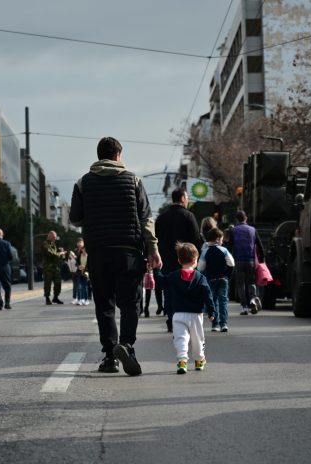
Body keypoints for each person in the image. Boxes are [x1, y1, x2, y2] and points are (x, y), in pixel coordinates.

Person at [70, 136, 162, 376]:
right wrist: (153, 250)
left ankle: (110, 356)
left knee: (104, 305)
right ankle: (127, 345)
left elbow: (75, 219)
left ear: (99, 155)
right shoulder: (134, 181)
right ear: (118, 156)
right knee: (131, 304)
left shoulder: (82, 183)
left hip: (98, 253)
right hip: (129, 252)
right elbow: (146, 220)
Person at [153, 242, 215, 374]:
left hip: (178, 314)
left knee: (181, 338)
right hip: (196, 315)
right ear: (195, 260)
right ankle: (199, 360)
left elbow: (162, 282)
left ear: (179, 260)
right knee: (198, 338)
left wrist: (156, 269)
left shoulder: (174, 275)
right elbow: (207, 295)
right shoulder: (200, 278)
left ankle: (182, 361)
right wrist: (211, 310)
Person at [155, 188, 202, 332]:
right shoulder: (189, 216)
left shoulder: (161, 218)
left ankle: (171, 320)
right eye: (187, 197)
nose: (187, 200)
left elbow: (155, 239)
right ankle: (184, 321)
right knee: (186, 291)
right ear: (182, 198)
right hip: (186, 260)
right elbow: (196, 239)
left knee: (169, 291)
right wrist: (195, 258)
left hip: (166, 261)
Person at [198, 227, 234, 332]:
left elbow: (200, 267)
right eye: (222, 239)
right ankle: (224, 324)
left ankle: (215, 324)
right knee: (223, 301)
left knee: (213, 301)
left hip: (211, 279)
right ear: (218, 239)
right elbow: (231, 263)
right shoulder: (224, 250)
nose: (222, 241)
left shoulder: (205, 251)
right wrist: (228, 274)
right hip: (223, 278)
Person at [230, 210, 264, 315]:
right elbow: (259, 245)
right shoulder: (253, 230)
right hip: (250, 260)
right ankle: (253, 299)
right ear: (246, 218)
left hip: (238, 260)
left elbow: (230, 246)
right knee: (251, 282)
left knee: (240, 284)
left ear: (237, 219)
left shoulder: (233, 231)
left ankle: (244, 307)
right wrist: (262, 259)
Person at [41, 231, 64, 305]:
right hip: (48, 268)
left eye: (55, 237)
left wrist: (60, 251)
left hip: (56, 267)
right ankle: (47, 298)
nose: (55, 238)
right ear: (49, 236)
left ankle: (55, 297)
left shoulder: (53, 244)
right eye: (54, 237)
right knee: (47, 283)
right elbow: (50, 253)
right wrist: (59, 254)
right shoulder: (45, 244)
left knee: (58, 283)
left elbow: (56, 253)